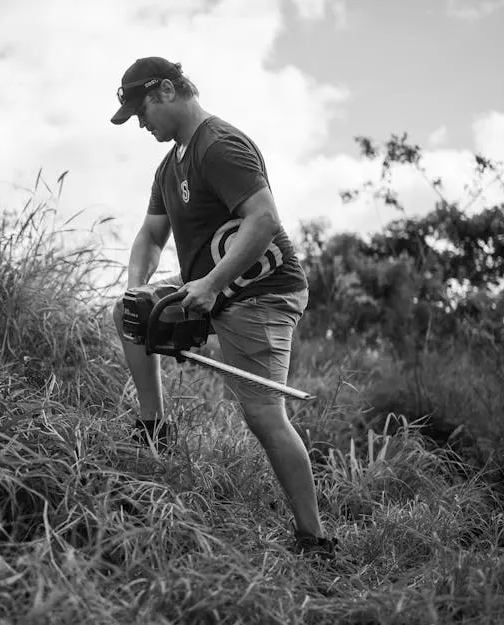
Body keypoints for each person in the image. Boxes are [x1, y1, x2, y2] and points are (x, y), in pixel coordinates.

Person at [109, 56, 337, 559]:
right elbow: (150, 236)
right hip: (207, 284)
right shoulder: (170, 166)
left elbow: (262, 220)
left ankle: (315, 539)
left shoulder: (220, 146)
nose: (141, 124)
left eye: (141, 110)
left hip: (262, 291)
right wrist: (136, 290)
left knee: (262, 413)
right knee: (128, 312)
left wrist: (211, 285)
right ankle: (155, 427)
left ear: (167, 90)